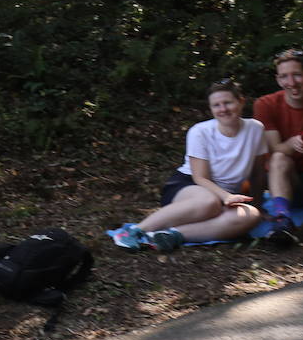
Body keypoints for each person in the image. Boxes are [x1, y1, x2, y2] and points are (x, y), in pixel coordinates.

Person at [109, 79, 270, 252]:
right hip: (190, 186)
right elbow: (200, 177)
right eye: (216, 105)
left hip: (226, 197)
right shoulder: (200, 132)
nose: (223, 109)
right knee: (209, 202)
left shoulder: (255, 128)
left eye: (228, 102)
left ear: (241, 101)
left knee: (251, 216)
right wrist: (225, 196)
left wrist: (259, 207)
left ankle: (170, 235)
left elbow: (258, 173)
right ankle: (133, 232)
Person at [256, 49, 303, 241]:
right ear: (278, 80)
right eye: (284, 76)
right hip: (291, 183)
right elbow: (275, 149)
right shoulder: (266, 104)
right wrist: (292, 144)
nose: (291, 82)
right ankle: (283, 220)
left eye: (297, 74)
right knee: (279, 158)